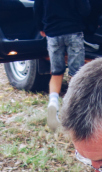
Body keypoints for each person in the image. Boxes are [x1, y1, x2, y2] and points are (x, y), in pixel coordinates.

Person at [34, 0, 91, 131]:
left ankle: (53, 104)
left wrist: (41, 28)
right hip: (73, 31)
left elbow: (37, 10)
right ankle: (71, 110)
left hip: (53, 33)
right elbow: (85, 10)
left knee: (56, 73)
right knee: (76, 75)